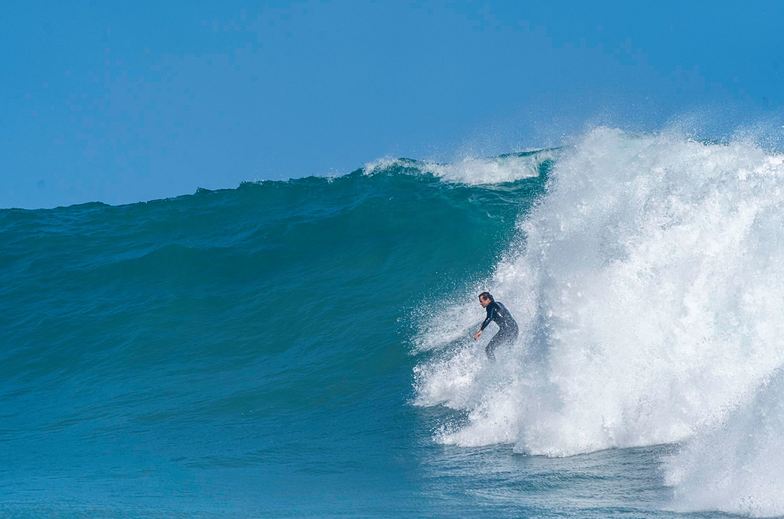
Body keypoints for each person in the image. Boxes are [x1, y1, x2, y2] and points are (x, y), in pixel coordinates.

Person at [473, 292, 518, 360]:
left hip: (506, 330)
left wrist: (481, 330)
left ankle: (493, 367)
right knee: (509, 349)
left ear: (488, 299)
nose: (480, 303)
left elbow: (489, 317)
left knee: (488, 349)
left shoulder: (490, 306)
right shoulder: (499, 304)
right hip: (515, 328)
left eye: (481, 301)